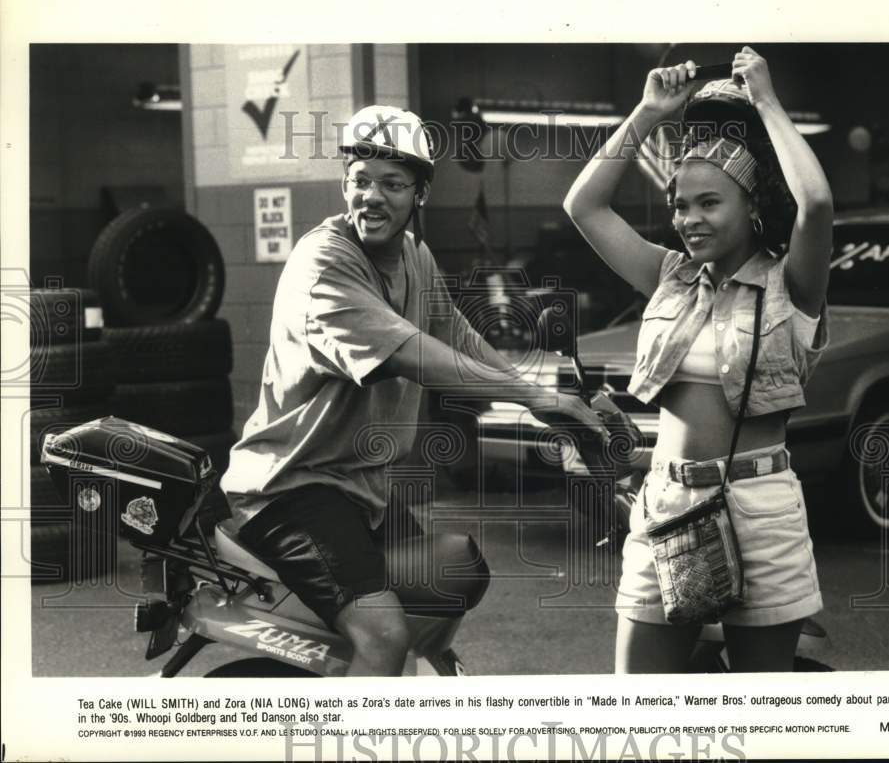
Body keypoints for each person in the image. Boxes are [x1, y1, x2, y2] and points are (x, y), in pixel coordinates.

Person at [221, 104, 606, 676]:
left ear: (420, 194)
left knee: (451, 581)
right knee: (383, 633)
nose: (372, 197)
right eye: (360, 180)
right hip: (292, 488)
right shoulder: (323, 267)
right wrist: (540, 401)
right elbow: (418, 357)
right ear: (343, 185)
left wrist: (541, 400)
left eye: (393, 184)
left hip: (358, 485)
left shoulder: (413, 255)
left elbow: (460, 338)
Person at [563, 48, 834, 673]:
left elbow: (815, 204)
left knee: (760, 714)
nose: (689, 220)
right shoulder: (669, 275)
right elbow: (584, 207)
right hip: (665, 503)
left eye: (709, 204)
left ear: (750, 208)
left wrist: (766, 101)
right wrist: (648, 112)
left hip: (760, 507)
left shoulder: (792, 284)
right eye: (681, 206)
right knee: (642, 703)